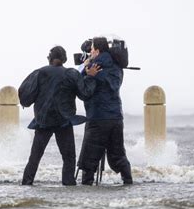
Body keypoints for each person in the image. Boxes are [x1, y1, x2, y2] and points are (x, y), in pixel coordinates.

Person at [19, 46, 100, 186]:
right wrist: (90, 77)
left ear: (49, 59)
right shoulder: (71, 74)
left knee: (35, 157)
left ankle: (27, 183)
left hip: (43, 121)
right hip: (63, 121)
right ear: (65, 59)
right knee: (68, 157)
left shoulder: (39, 73)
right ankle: (68, 183)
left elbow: (25, 95)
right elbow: (85, 94)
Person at [78, 37, 133, 185]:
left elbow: (84, 89)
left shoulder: (95, 66)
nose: (90, 51)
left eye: (92, 49)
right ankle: (128, 181)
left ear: (97, 50)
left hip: (98, 117)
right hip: (116, 117)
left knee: (89, 157)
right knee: (118, 154)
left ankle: (87, 184)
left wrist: (86, 71)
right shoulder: (117, 66)